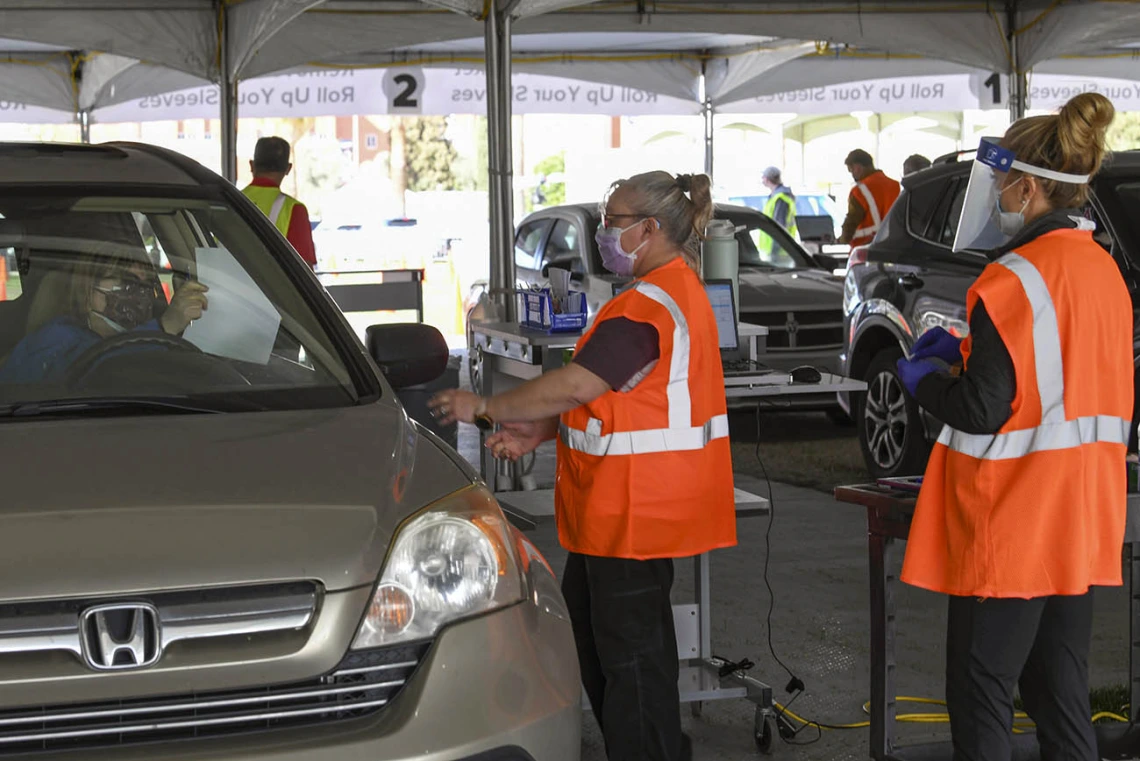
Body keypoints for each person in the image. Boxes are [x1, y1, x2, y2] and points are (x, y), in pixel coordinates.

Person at [428, 171, 736, 761]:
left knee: (630, 661)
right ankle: (661, 745)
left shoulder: (649, 306)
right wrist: (538, 429)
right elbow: (616, 398)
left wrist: (486, 405)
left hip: (632, 514)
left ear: (650, 229)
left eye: (614, 222)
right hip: (622, 513)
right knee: (604, 648)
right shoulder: (670, 291)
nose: (602, 234)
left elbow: (575, 385)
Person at [895, 92, 1129, 761]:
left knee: (982, 691)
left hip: (1013, 520)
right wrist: (966, 359)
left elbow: (982, 408)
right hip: (1081, 517)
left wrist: (928, 381)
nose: (996, 195)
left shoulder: (1011, 277)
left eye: (1001, 184)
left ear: (1028, 188)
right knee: (1059, 692)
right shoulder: (1104, 270)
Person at [0, 253, 208, 385]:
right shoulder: (55, 337)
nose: (136, 293)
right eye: (125, 281)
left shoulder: (146, 343)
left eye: (145, 286)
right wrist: (165, 326)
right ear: (88, 292)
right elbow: (97, 370)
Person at [241, 137, 317, 269]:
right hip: (269, 289)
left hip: (226, 286)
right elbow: (304, 270)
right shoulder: (294, 209)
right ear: (288, 169)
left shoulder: (229, 202)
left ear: (251, 165)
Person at [838, 149, 900, 247]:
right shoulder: (895, 185)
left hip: (864, 248)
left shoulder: (859, 190)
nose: (852, 174)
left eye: (851, 170)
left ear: (857, 167)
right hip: (892, 246)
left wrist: (841, 240)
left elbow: (851, 222)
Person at [761, 165, 798, 238]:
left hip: (777, 247)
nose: (762, 179)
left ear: (768, 179)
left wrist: (776, 248)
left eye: (763, 177)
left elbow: (779, 227)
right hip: (773, 245)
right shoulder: (775, 197)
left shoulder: (781, 198)